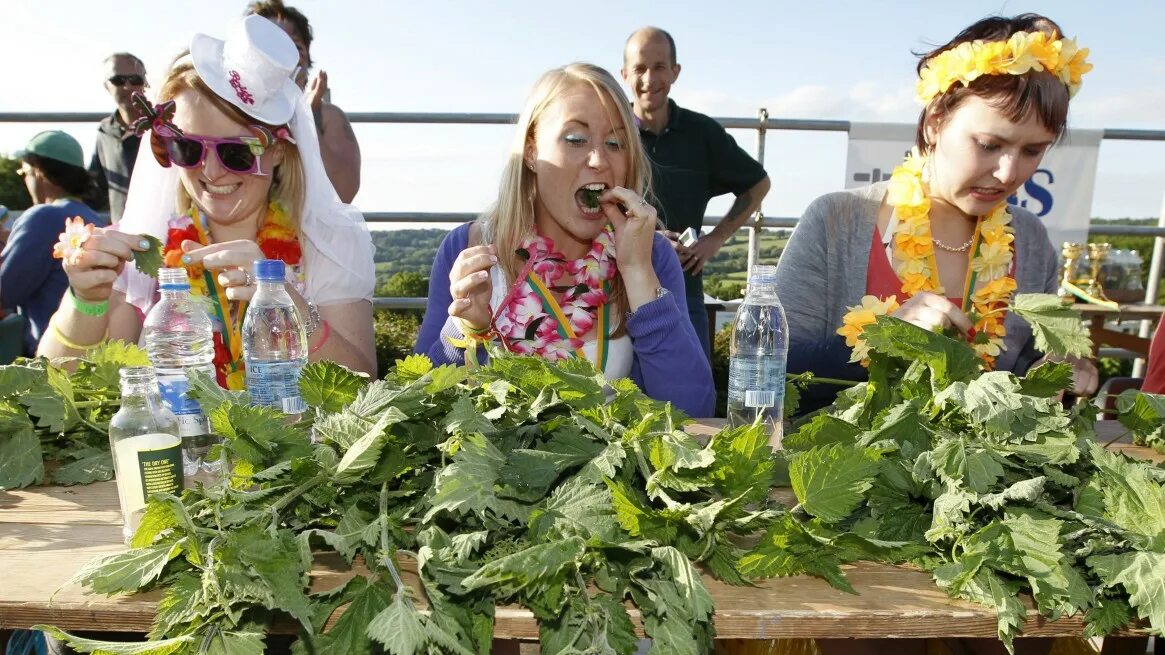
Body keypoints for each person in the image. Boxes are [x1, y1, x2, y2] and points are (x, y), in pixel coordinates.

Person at [775, 13, 1098, 417]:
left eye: (1033, 151)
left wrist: (1055, 372)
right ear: (934, 122)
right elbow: (769, 371)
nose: (1009, 173)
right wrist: (885, 340)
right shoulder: (836, 220)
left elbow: (1026, 371)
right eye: (988, 144)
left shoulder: (1029, 238)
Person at [37, 14, 376, 386]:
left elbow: (359, 386)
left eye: (237, 153)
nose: (212, 172)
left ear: (278, 150)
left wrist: (288, 310)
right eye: (187, 147)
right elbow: (57, 388)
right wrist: (86, 298)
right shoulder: (143, 249)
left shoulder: (326, 246)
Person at [414, 63, 714, 418]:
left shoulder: (652, 255)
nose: (600, 160)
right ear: (530, 152)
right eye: (575, 139)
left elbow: (694, 410)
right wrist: (467, 328)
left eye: (616, 143)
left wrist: (637, 273)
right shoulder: (468, 249)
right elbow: (418, 411)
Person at [621, 26, 771, 362]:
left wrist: (714, 240)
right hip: (617, 288)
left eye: (659, 67)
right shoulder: (611, 134)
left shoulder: (701, 132)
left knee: (692, 395)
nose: (649, 78)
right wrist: (650, 238)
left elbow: (757, 183)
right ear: (624, 74)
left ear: (676, 71)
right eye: (640, 69)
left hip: (684, 288)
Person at [246, 0, 361, 203]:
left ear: (307, 59)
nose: (284, 54)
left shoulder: (326, 116)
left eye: (295, 47)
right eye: (272, 43)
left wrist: (304, 118)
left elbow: (344, 191)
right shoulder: (228, 112)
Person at [2, 131, 101, 356]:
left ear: (38, 173)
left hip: (49, 356)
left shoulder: (42, 216)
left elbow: (5, 291)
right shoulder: (94, 220)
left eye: (24, 172)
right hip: (89, 351)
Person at [90, 53, 148, 223]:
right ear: (106, 86)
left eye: (135, 79)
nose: (127, 86)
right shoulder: (105, 131)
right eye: (118, 80)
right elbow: (96, 189)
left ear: (146, 83)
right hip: (123, 233)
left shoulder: (165, 127)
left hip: (169, 231)